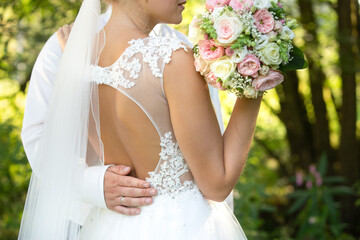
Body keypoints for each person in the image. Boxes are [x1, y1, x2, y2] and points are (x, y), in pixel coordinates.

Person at [19, 0, 260, 239]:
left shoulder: (74, 54)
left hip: (110, 227)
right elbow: (217, 185)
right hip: (179, 225)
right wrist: (257, 82)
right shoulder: (173, 57)